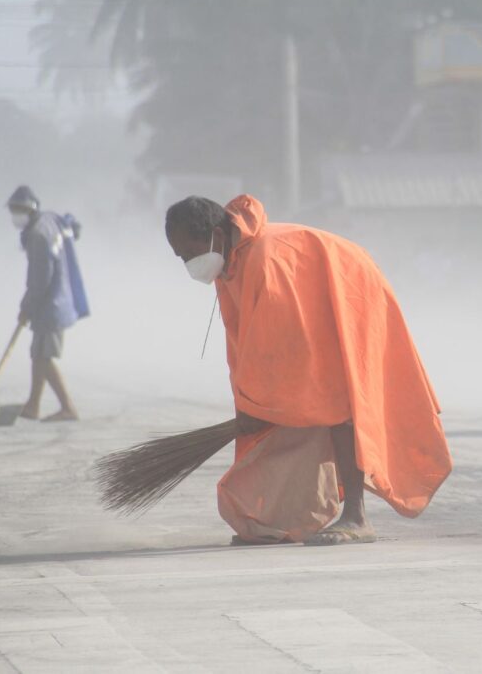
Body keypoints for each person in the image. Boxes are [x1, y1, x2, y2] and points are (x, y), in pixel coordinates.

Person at [165, 195, 452, 546]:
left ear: (217, 234)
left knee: (335, 401)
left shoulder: (265, 260)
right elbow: (244, 343)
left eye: (189, 253)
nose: (188, 263)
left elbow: (283, 346)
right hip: (315, 307)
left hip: (351, 296)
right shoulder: (231, 265)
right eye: (181, 257)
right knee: (305, 405)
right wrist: (250, 402)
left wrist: (261, 403)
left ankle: (356, 517)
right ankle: (284, 519)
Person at [7, 185, 88, 422]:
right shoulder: (48, 221)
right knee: (39, 354)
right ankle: (33, 405)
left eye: (18, 210)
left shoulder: (38, 235)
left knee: (43, 356)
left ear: (30, 209)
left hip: (51, 305)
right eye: (13, 210)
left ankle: (68, 407)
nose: (15, 215)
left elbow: (40, 279)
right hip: (53, 302)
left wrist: (26, 307)